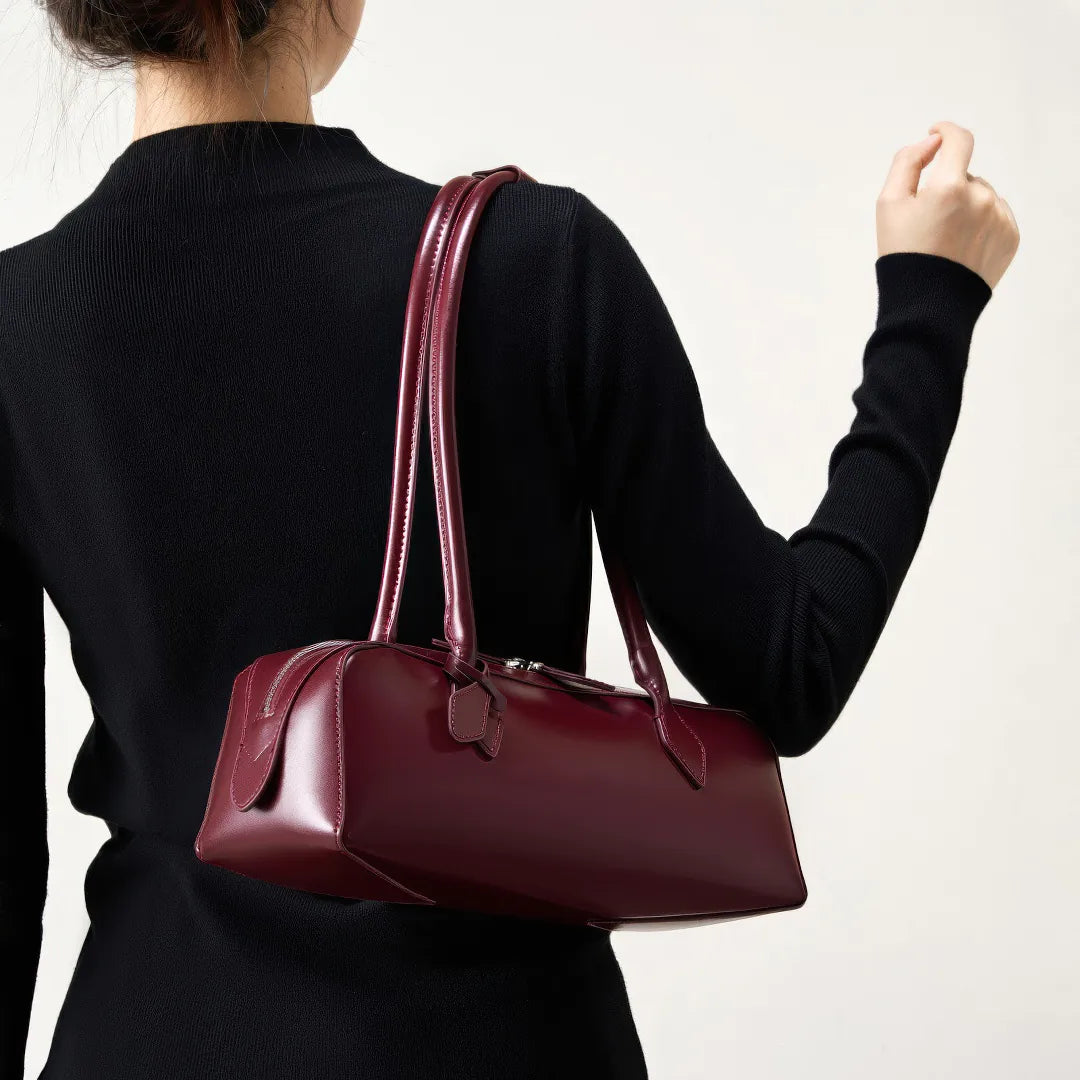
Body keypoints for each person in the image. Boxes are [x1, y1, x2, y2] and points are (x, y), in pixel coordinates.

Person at [0, 0, 1019, 1075]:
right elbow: (792, 664)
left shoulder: (16, 328)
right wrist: (928, 301)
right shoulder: (530, 260)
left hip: (145, 1037)